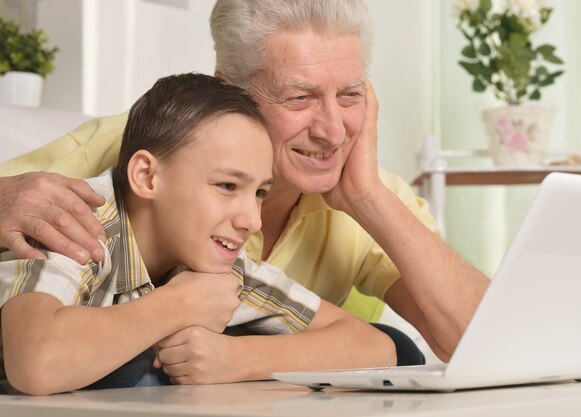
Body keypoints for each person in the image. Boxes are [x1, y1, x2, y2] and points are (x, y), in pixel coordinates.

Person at [0, 0, 490, 377]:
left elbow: (485, 343)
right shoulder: (132, 151)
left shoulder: (367, 192)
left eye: (350, 95)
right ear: (230, 92)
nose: (334, 131)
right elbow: (38, 354)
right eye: (300, 96)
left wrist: (366, 199)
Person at [0, 73, 395, 395]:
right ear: (146, 176)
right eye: (227, 186)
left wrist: (234, 358)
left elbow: (375, 346)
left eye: (259, 192)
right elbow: (38, 364)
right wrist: (177, 305)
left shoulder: (212, 259)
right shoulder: (70, 221)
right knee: (141, 373)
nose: (252, 221)